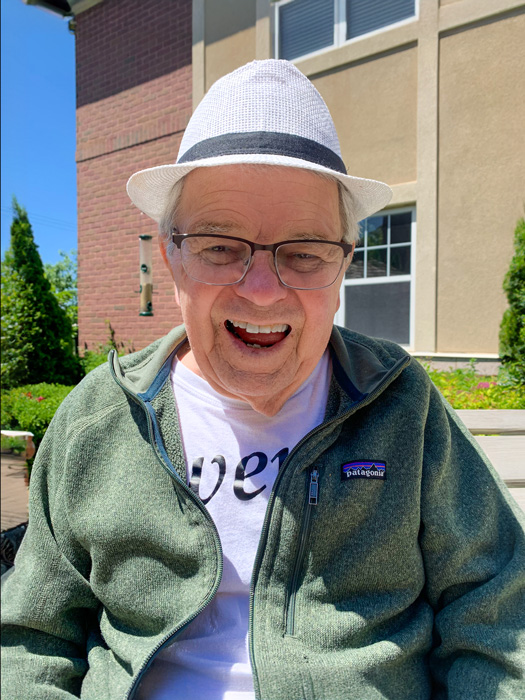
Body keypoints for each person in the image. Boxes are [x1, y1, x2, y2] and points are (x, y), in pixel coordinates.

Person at [2, 59, 524, 700]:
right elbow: (31, 643)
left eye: (304, 251)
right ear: (172, 257)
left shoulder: (402, 407)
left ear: (343, 268)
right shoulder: (98, 420)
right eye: (221, 245)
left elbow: (501, 616)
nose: (261, 289)